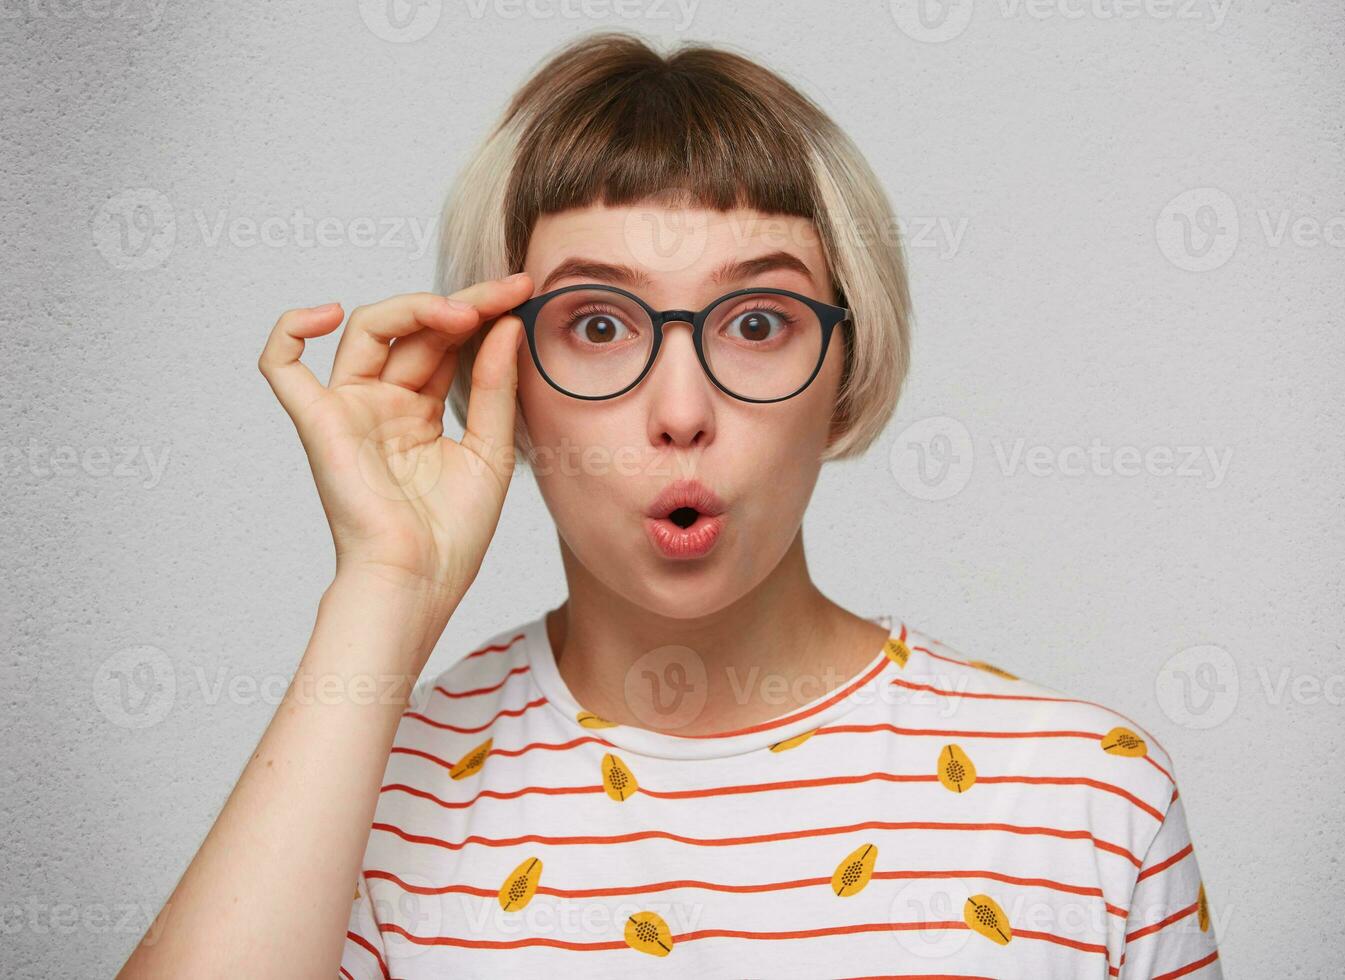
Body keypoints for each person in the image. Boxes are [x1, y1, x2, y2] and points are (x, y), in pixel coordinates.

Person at [119, 32, 1223, 979]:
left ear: (848, 361)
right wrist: (384, 582)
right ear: (499, 374)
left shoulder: (1083, 801)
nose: (681, 411)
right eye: (598, 325)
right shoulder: (358, 799)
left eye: (756, 321)